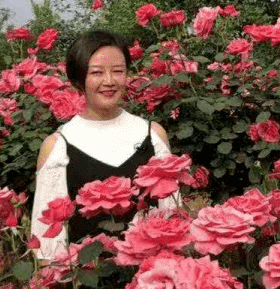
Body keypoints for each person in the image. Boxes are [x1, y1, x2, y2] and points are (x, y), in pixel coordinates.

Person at [30, 29, 177, 259]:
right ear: (79, 79)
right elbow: (47, 240)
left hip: (150, 279)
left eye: (118, 71)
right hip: (88, 283)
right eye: (97, 72)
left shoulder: (153, 135)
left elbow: (172, 215)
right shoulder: (59, 146)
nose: (109, 81)